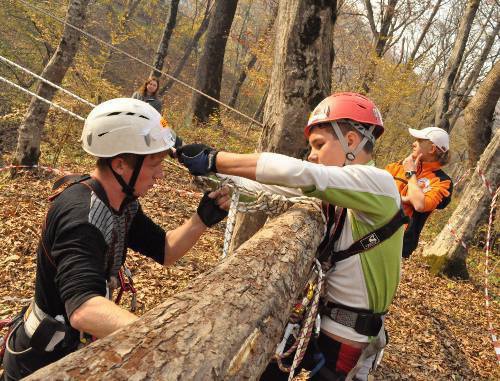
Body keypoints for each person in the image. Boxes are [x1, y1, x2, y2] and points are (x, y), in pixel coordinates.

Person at [176, 92, 406, 380]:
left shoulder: (380, 185)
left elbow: (299, 174)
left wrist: (215, 158)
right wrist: (196, 165)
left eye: (319, 145)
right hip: (322, 324)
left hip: (347, 338)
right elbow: (270, 187)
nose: (311, 155)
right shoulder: (341, 193)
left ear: (351, 141)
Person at [0, 98, 229, 380]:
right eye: (154, 163)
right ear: (121, 165)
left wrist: (202, 219)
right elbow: (83, 309)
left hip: (75, 349)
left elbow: (166, 250)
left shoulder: (122, 202)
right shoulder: (82, 216)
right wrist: (162, 339)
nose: (160, 174)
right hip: (41, 363)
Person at [385, 127, 452, 259]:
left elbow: (420, 205)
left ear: (432, 149)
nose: (413, 143)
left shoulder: (442, 181)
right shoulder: (395, 167)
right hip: (370, 229)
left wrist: (411, 173)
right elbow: (375, 193)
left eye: (419, 140)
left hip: (400, 243)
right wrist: (405, 199)